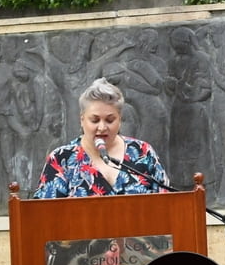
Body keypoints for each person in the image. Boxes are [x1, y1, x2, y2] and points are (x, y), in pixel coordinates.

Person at [35, 78, 168, 198]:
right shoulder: (61, 159)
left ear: (120, 120)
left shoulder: (143, 152)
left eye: (110, 120)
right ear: (82, 120)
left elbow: (167, 204)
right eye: (95, 120)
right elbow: (44, 213)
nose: (102, 127)